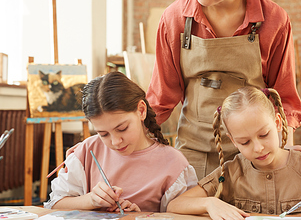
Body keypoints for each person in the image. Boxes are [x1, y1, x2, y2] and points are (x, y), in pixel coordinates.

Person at [146, 0, 301, 179]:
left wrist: (285, 154)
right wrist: (117, 147)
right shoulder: (174, 18)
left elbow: (284, 99)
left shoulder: (273, 20)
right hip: (193, 151)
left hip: (256, 154)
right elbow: (161, 99)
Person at [167, 86, 301, 220]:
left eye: (264, 135)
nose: (258, 148)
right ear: (232, 140)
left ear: (277, 123)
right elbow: (174, 205)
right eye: (245, 142)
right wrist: (208, 202)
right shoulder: (230, 172)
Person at [44, 71, 198, 212]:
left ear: (141, 110)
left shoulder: (173, 163)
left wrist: (141, 217)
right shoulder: (88, 151)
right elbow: (55, 204)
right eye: (103, 134)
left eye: (122, 128)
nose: (116, 142)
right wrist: (90, 200)